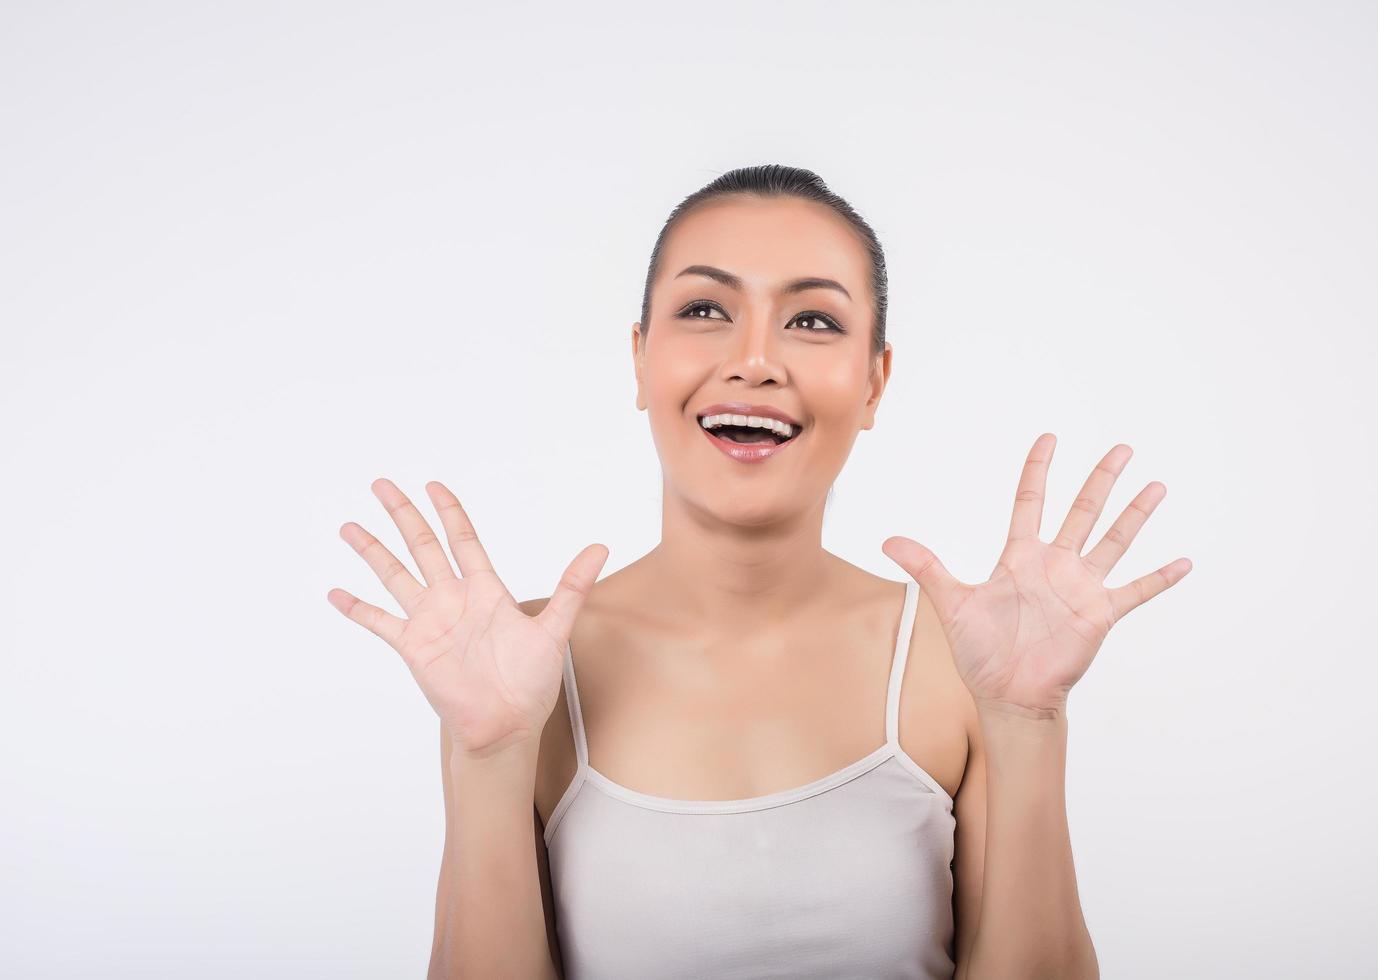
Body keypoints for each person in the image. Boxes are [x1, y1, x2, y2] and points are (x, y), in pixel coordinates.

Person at [327, 163, 1190, 979]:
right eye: (705, 309)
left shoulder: (960, 663)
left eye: (812, 320)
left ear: (874, 383)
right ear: (639, 357)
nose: (753, 359)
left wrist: (1026, 718)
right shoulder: (521, 668)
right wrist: (487, 751)